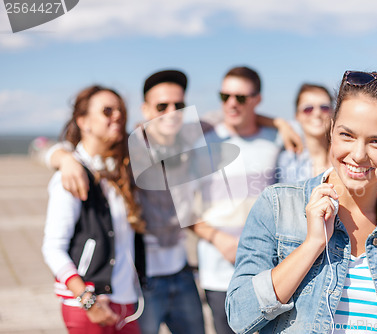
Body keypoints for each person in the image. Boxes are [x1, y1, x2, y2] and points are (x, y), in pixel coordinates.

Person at [42, 69, 300, 334]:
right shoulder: (128, 148)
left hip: (183, 274)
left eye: (179, 105)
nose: (171, 112)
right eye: (161, 106)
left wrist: (280, 123)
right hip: (143, 282)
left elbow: (237, 113)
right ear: (145, 110)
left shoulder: (193, 134)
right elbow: (75, 150)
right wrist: (63, 158)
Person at [226, 70, 377, 334]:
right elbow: (239, 315)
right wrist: (312, 245)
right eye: (347, 135)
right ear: (332, 129)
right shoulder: (277, 205)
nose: (358, 155)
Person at [41, 85, 143, 333]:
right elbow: (52, 248)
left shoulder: (121, 168)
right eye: (107, 111)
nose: (117, 116)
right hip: (90, 305)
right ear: (83, 121)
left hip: (126, 303)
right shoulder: (71, 176)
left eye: (121, 111)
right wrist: (87, 300)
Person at [191, 66, 283, 334]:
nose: (231, 103)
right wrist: (219, 240)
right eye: (225, 96)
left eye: (241, 98)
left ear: (257, 99)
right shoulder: (202, 142)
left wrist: (280, 123)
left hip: (269, 270)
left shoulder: (276, 140)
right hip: (218, 272)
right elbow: (183, 210)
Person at [277, 83, 333, 183]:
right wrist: (280, 123)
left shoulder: (345, 158)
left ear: (333, 112)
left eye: (324, 107)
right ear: (297, 115)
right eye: (308, 109)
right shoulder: (287, 160)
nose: (317, 113)